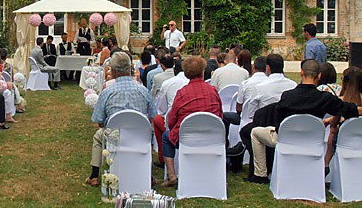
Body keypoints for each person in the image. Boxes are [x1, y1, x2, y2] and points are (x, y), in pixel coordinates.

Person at [244, 59, 362, 183]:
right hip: (312, 140)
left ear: (301, 73)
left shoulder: (287, 95)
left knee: (255, 132)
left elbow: (280, 120)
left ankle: (260, 174)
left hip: (286, 140)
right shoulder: (324, 98)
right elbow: (355, 109)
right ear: (319, 75)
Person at [85, 52, 156, 187]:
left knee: (97, 137)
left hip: (114, 138)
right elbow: (153, 116)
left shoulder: (107, 92)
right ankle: (149, 174)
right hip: (140, 137)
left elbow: (99, 121)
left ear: (113, 71)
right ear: (131, 69)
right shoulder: (143, 90)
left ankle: (94, 175)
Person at [162, 56, 223, 186]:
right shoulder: (213, 91)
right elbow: (220, 116)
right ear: (203, 71)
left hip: (186, 138)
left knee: (166, 137)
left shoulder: (182, 93)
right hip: (211, 137)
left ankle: (172, 175)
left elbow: (172, 121)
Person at [238, 53, 296, 175]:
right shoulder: (293, 85)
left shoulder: (260, 87)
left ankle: (258, 164)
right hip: (288, 126)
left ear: (268, 68)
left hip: (265, 125)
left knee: (245, 131)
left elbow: (251, 113)